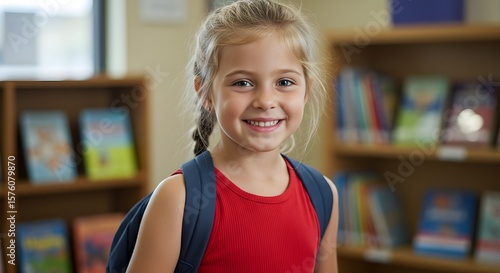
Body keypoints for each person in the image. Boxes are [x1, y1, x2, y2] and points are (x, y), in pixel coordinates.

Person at [125, 0, 339, 272]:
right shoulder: (177, 198)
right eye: (243, 83)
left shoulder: (323, 194)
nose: (265, 100)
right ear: (206, 93)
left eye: (284, 82)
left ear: (306, 91)